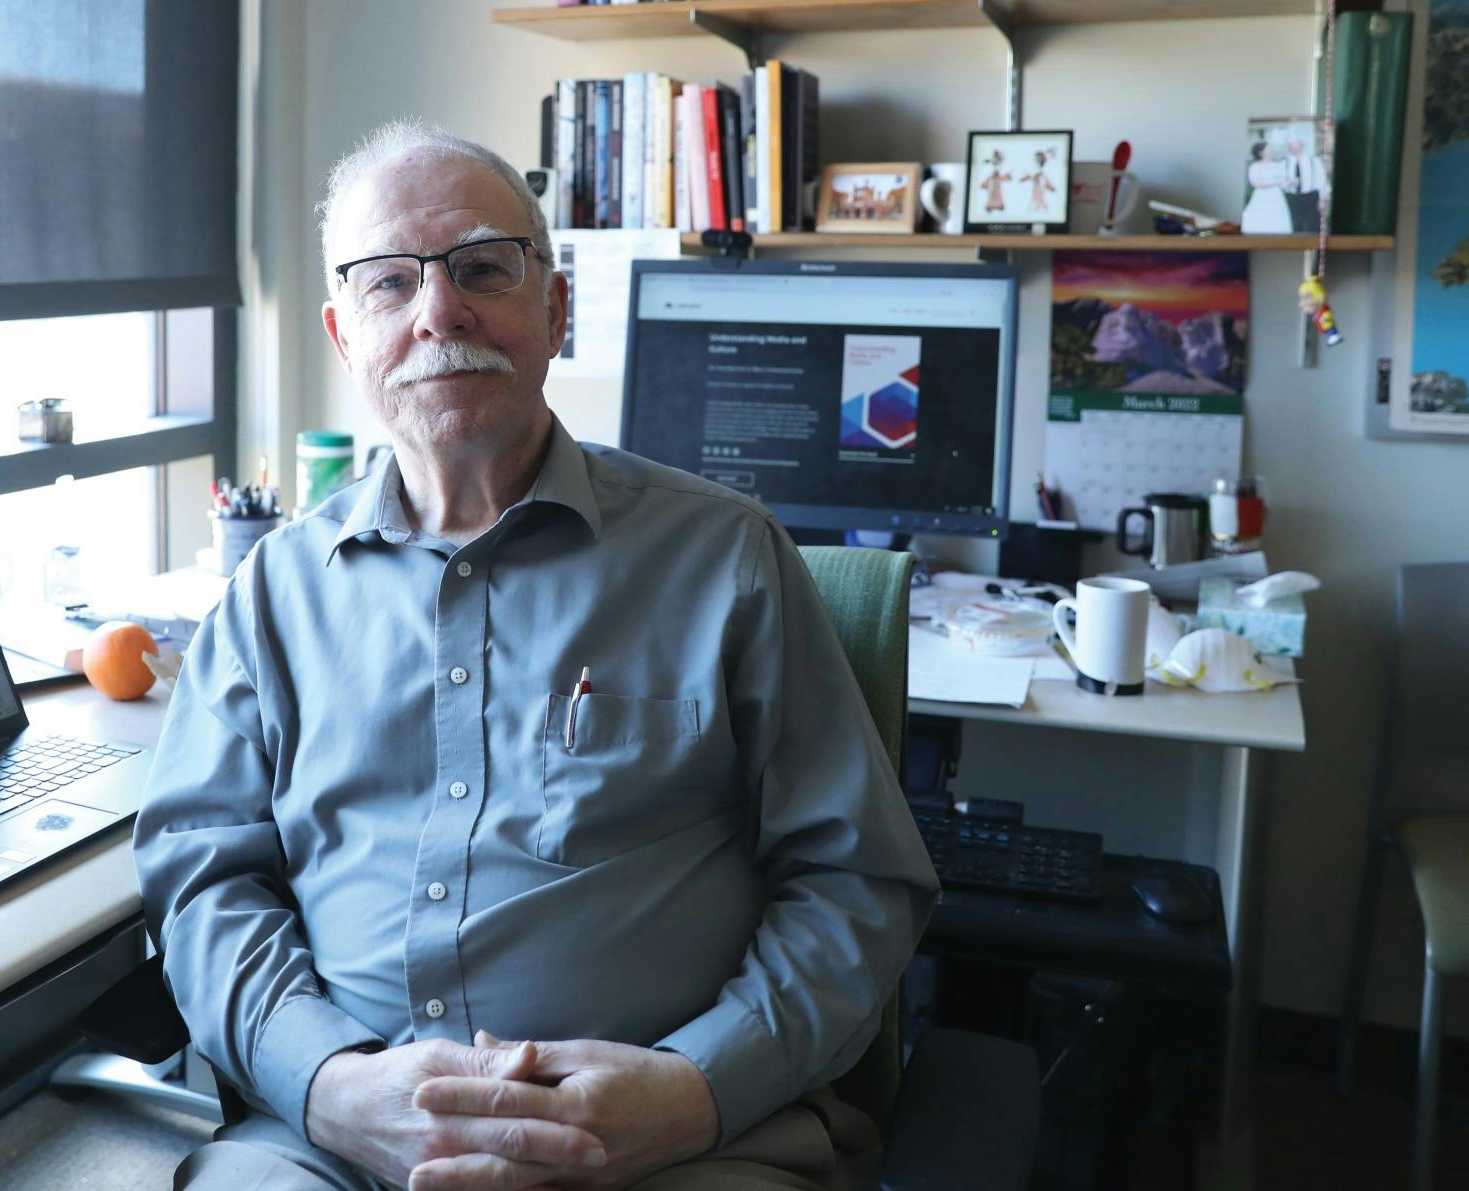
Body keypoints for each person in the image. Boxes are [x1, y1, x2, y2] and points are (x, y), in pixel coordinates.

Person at [134, 119, 939, 1191]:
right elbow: (202, 885)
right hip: (333, 1145)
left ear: (554, 307)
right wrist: (324, 1082)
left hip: (675, 1145)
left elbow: (855, 882)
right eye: (388, 284)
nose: (438, 312)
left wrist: (696, 1088)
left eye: (480, 268)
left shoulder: (724, 559)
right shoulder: (272, 594)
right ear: (341, 335)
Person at [1282, 132, 1329, 233]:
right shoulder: (1284, 162)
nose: (1291, 147)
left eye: (1294, 144)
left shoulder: (1313, 160)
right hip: (1292, 197)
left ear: (1301, 145)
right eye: (1289, 145)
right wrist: (1289, 183)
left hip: (1311, 196)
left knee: (1313, 225)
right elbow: (1280, 181)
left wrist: (1322, 199)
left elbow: (1322, 181)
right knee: (1295, 224)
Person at [1241, 141, 1292, 234]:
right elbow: (1256, 183)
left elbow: (1284, 180)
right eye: (1268, 149)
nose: (1270, 150)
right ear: (1261, 152)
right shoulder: (1255, 166)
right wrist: (1277, 182)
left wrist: (1289, 182)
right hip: (1262, 196)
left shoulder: (1276, 165)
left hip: (1276, 196)